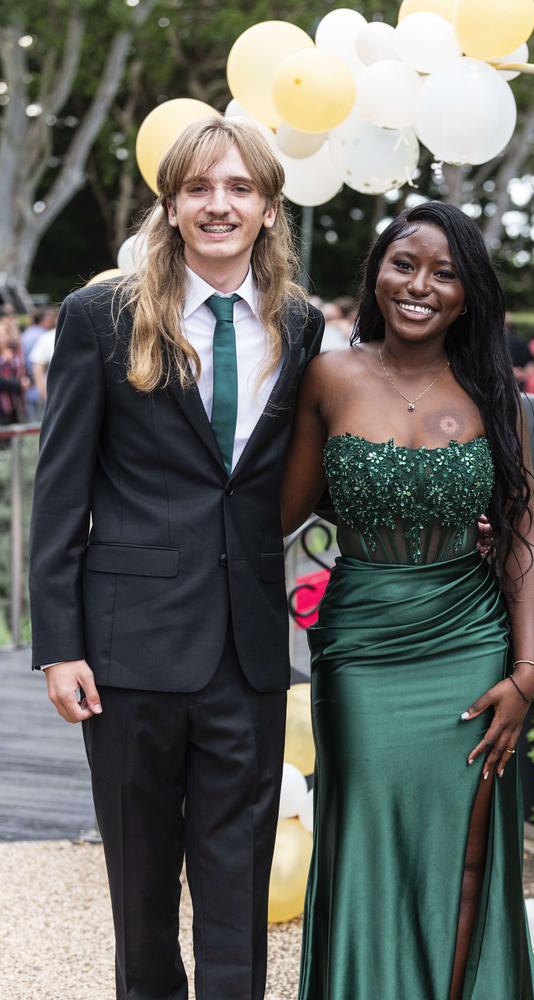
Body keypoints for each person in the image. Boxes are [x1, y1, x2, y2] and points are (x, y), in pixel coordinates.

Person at [29, 117, 325, 1000]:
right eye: (198, 188)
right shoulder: (100, 317)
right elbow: (59, 491)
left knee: (236, 889)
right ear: (171, 204)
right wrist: (60, 642)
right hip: (127, 654)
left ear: (270, 208)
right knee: (143, 894)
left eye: (239, 188)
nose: (219, 205)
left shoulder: (302, 328)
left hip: (248, 654)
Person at [281, 202, 534, 1000]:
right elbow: (277, 517)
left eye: (445, 273)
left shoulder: (494, 391)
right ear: (376, 273)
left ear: (469, 295)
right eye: (404, 264)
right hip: (362, 651)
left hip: (470, 642)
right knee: (367, 841)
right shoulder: (330, 376)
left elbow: (526, 542)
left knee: (466, 855)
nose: (420, 285)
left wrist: (525, 671)